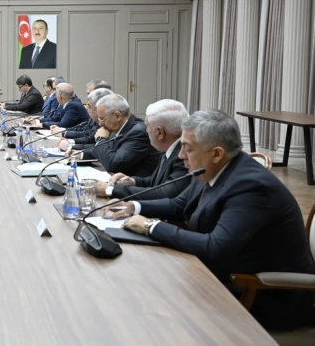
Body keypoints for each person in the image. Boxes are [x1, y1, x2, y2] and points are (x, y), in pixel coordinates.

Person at [105, 110, 315, 331]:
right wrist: (133, 206)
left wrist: (150, 226)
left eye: (188, 148)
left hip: (266, 295)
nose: (180, 155)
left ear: (216, 153)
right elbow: (178, 205)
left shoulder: (252, 186)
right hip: (224, 274)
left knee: (155, 304)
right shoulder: (214, 167)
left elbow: (215, 246)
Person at [96, 99, 189, 200]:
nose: (146, 130)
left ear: (159, 132)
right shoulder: (169, 148)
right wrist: (132, 181)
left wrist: (111, 190)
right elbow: (155, 182)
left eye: (147, 126)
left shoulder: (183, 156)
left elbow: (163, 193)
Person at [72, 94, 160, 177]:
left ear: (117, 116)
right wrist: (80, 154)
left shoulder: (138, 132)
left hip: (136, 184)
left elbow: (113, 164)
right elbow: (107, 150)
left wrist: (100, 139)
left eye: (102, 119)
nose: (100, 123)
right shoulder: (117, 126)